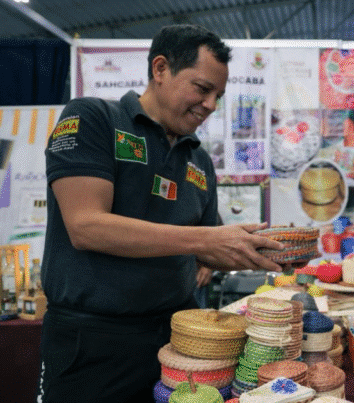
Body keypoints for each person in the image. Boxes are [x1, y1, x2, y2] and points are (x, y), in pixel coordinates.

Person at [38, 25, 284, 403]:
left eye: (218, 95)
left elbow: (208, 250)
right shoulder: (95, 118)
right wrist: (205, 239)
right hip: (93, 344)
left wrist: (268, 248)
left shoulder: (199, 159)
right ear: (160, 69)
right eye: (202, 89)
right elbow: (85, 226)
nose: (211, 105)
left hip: (181, 341)